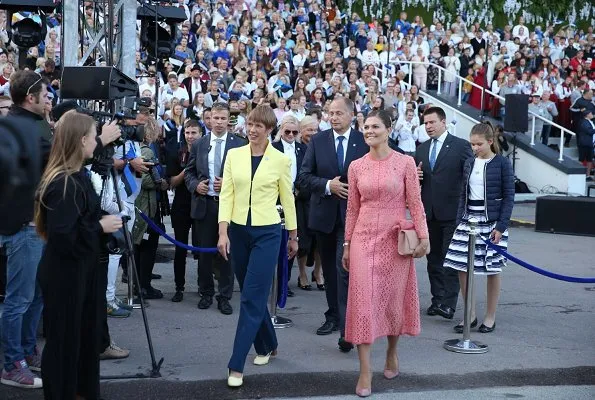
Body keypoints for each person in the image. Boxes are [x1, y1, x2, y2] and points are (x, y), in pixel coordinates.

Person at [34, 110, 123, 399]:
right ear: (82, 140)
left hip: (79, 273)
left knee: (81, 340)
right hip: (65, 276)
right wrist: (100, 226)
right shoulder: (64, 183)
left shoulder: (77, 176)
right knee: (64, 343)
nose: (98, 141)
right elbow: (63, 235)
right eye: (95, 136)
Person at [342, 110, 429, 397]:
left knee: (392, 300)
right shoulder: (355, 166)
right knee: (362, 302)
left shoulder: (404, 163)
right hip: (363, 240)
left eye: (375, 126)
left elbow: (415, 203)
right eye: (365, 126)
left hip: (395, 239)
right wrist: (346, 243)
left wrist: (424, 237)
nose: (368, 130)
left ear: (388, 129)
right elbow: (352, 208)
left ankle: (392, 351)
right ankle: (365, 371)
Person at [217, 105, 298, 387]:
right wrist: (222, 232)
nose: (252, 130)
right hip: (237, 232)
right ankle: (267, 344)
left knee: (251, 298)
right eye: (250, 124)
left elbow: (287, 199)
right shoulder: (233, 155)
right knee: (252, 294)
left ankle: (236, 364)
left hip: (268, 233)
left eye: (258, 126)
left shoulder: (280, 159)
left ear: (269, 130)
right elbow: (226, 194)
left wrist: (293, 235)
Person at [297, 97, 368, 352]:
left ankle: (346, 329)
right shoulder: (318, 141)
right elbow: (304, 177)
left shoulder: (364, 141)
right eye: (330, 113)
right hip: (324, 216)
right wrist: (329, 186)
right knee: (329, 269)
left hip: (354, 218)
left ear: (351, 115)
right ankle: (334, 315)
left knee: (343, 269)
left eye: (339, 113)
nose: (334, 117)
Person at [0, 70, 52, 389]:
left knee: (35, 296)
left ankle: (27, 350)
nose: (50, 97)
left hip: (38, 223)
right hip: (25, 225)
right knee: (20, 298)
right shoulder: (18, 126)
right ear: (29, 98)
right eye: (45, 93)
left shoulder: (36, 124)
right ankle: (11, 363)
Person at [444, 121, 515, 333]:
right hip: (468, 221)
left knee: (493, 269)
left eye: (478, 144)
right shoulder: (469, 163)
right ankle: (470, 314)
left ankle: (490, 317)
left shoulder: (502, 163)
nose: (474, 148)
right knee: (461, 267)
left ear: (490, 142)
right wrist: (459, 221)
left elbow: (509, 196)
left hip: (492, 223)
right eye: (472, 144)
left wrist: (501, 226)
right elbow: (463, 195)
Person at [185, 102, 247, 313]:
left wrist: (230, 184)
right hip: (206, 205)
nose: (218, 122)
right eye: (215, 118)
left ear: (229, 120)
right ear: (208, 119)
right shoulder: (200, 144)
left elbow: (248, 175)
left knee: (227, 253)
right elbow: (189, 172)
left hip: (230, 207)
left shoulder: (240, 144)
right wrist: (196, 186)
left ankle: (225, 295)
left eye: (223, 118)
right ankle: (206, 292)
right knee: (204, 253)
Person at [414, 106, 473, 320]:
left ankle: (449, 304)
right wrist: (416, 176)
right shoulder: (421, 149)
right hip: (429, 213)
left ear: (443, 122)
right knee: (433, 260)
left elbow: (470, 178)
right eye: (425, 123)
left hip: (453, 213)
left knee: (451, 260)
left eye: (432, 122)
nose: (428, 126)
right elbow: (417, 180)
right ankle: (437, 299)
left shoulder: (460, 146)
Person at [168, 119, 203, 302]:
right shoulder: (177, 153)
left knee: (202, 248)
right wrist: (187, 169)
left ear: (201, 134)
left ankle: (203, 287)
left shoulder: (206, 152)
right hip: (181, 205)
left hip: (201, 204)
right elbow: (172, 182)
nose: (190, 137)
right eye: (187, 133)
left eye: (194, 133)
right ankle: (179, 287)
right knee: (180, 248)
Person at [272, 115, 306, 294]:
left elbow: (306, 172)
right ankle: (273, 280)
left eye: (295, 131)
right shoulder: (273, 148)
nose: (291, 134)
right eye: (287, 131)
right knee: (275, 241)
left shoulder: (303, 149)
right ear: (281, 131)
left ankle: (284, 282)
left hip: (297, 201)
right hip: (275, 201)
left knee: (293, 239)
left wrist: (298, 191)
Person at [577, 110, 595, 179]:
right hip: (584, 143)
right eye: (591, 113)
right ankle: (579, 174)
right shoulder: (584, 122)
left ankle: (588, 175)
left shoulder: (590, 122)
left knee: (589, 159)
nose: (592, 114)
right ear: (587, 115)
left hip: (590, 143)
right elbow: (589, 131)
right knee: (581, 159)